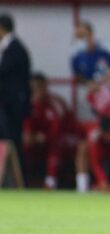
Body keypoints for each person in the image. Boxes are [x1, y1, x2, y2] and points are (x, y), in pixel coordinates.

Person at [22, 73, 72, 189]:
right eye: (34, 88)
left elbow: (57, 130)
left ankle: (51, 181)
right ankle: (23, 179)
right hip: (38, 138)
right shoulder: (27, 105)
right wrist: (30, 136)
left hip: (65, 136)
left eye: (40, 87)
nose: (38, 91)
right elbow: (26, 128)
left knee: (55, 144)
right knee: (23, 145)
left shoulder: (55, 103)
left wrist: (44, 137)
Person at [0, 13, 32, 177]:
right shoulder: (10, 47)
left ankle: (19, 178)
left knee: (12, 140)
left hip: (12, 105)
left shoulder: (15, 49)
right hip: (8, 104)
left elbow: (6, 73)